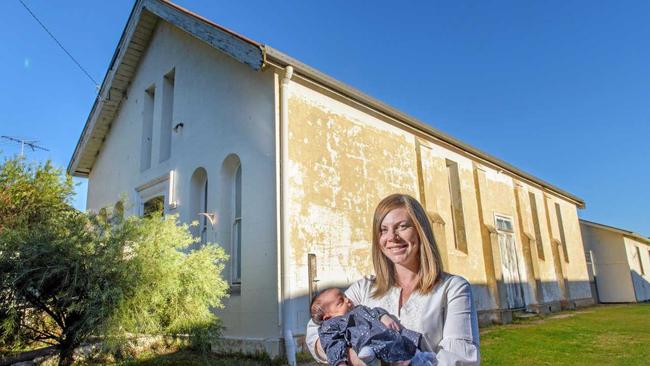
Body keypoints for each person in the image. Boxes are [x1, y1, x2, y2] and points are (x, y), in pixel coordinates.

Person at [306, 193, 480, 365]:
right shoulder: (364, 288)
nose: (391, 237)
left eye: (402, 226)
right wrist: (357, 358)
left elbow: (460, 359)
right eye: (383, 230)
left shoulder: (452, 289)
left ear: (420, 230)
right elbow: (317, 330)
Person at [310, 287, 434, 366]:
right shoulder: (330, 326)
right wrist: (340, 362)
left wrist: (383, 316)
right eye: (340, 301)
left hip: (387, 335)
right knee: (373, 353)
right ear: (327, 317)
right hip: (366, 343)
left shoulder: (359, 309)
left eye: (345, 296)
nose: (348, 300)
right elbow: (332, 345)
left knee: (406, 345)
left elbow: (375, 311)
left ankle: (420, 358)